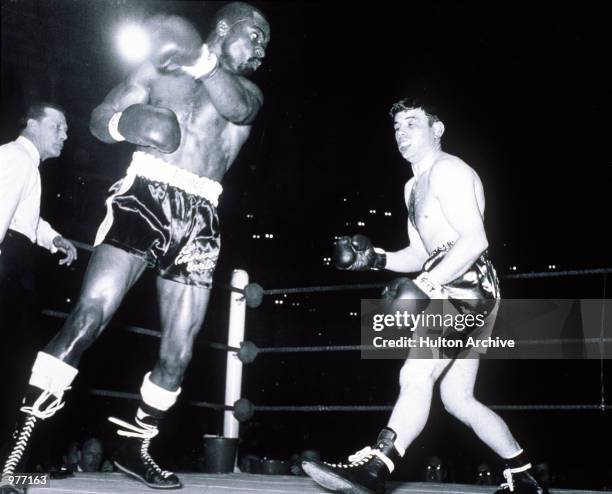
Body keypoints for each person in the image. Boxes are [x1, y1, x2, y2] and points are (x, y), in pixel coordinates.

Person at [1, 2, 269, 490]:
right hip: (143, 196)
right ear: (224, 27)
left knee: (179, 352)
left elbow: (238, 109)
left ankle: (134, 444)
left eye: (265, 44)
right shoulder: (155, 68)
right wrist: (125, 125)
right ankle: (20, 445)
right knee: (88, 316)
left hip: (200, 216)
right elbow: (101, 117)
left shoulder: (247, 91)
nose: (260, 50)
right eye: (254, 36)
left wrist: (201, 61)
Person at [302, 99, 546, 494]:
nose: (401, 133)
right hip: (457, 285)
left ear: (438, 129)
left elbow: (475, 241)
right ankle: (524, 477)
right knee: (458, 399)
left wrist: (427, 286)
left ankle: (376, 467)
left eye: (412, 123)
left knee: (416, 373)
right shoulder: (412, 186)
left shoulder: (450, 171)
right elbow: (420, 253)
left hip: (468, 287)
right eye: (397, 126)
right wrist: (374, 259)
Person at [0, 102, 77, 290]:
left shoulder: (19, 158)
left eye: (65, 130)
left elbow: (17, 214)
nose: (64, 136)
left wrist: (52, 238)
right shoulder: (19, 159)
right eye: (57, 127)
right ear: (33, 125)